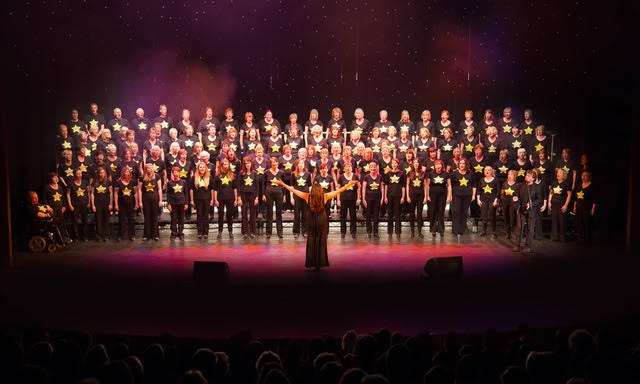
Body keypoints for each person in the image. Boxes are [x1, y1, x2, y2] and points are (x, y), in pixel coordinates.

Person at [275, 178, 358, 270]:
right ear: (320, 190)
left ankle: (311, 262)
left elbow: (293, 190)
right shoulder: (325, 196)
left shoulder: (307, 196)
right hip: (321, 219)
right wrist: (349, 184)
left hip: (310, 219)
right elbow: (339, 190)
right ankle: (320, 262)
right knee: (321, 240)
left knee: (311, 239)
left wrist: (282, 183)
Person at [513, 170, 545, 253]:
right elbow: (517, 195)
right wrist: (516, 198)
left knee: (530, 229)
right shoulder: (521, 186)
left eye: (528, 176)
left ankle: (527, 246)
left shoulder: (536, 187)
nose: (526, 177)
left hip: (532, 211)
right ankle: (517, 245)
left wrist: (532, 204)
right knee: (519, 227)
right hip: (522, 209)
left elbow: (540, 200)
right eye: (526, 175)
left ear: (533, 178)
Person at [447, 158, 476, 238]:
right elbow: (450, 186)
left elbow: (474, 185)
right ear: (458, 165)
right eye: (461, 163)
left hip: (467, 196)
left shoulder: (471, 174)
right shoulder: (454, 174)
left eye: (464, 163)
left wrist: (473, 195)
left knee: (464, 212)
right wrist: (450, 195)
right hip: (456, 195)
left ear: (466, 165)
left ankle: (462, 229)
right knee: (456, 212)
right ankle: (456, 230)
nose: (462, 165)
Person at [213, 158, 239, 239]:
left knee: (229, 215)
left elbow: (235, 188)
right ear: (221, 165)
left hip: (230, 198)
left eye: (227, 164)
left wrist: (236, 199)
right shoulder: (217, 176)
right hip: (220, 198)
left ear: (229, 165)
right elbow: (215, 189)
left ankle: (230, 231)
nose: (225, 166)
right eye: (224, 164)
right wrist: (215, 199)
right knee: (220, 215)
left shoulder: (233, 175)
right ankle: (220, 231)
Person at [138, 163, 162, 241]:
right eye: (148, 168)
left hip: (155, 200)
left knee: (155, 217)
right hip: (145, 200)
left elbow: (159, 189)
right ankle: (147, 235)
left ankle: (155, 235)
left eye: (151, 168)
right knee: (147, 217)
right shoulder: (142, 178)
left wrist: (160, 200)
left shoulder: (157, 176)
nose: (150, 169)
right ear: (145, 169)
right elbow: (139, 190)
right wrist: (140, 202)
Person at [44, 172, 70, 243]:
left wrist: (64, 206)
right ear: (50, 178)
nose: (56, 178)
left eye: (57, 177)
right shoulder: (47, 187)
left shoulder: (60, 187)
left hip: (60, 209)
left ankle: (63, 239)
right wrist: (48, 206)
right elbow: (44, 199)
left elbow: (63, 198)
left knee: (62, 224)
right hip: (52, 210)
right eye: (54, 177)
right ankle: (55, 240)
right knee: (54, 225)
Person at [263, 156, 285, 238]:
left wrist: (284, 195)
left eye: (276, 162)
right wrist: (263, 194)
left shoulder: (281, 173)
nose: (274, 164)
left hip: (279, 193)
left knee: (279, 213)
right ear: (271, 164)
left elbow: (283, 185)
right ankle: (268, 232)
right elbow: (264, 184)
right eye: (273, 162)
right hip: (269, 194)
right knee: (269, 213)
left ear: (278, 163)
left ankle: (280, 232)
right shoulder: (266, 172)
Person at [336, 162, 360, 239]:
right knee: (343, 216)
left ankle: (353, 232)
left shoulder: (355, 176)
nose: (348, 168)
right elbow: (338, 189)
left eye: (349, 166)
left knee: (353, 216)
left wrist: (358, 198)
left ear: (352, 168)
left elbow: (359, 188)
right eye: (346, 166)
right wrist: (338, 200)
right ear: (344, 168)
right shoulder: (341, 177)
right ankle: (343, 232)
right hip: (343, 199)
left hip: (352, 199)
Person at [114, 167, 138, 241]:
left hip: (131, 203)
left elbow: (135, 193)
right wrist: (116, 204)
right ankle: (120, 235)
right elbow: (116, 194)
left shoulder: (133, 182)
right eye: (125, 172)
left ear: (130, 173)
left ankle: (132, 235)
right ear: (122, 173)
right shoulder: (118, 182)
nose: (126, 173)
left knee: (131, 219)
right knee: (121, 220)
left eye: (128, 172)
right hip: (121, 204)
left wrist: (136, 203)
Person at [190, 162, 214, 239]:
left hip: (207, 199)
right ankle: (200, 232)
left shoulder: (209, 177)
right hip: (198, 199)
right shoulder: (194, 177)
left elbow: (212, 189)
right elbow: (191, 189)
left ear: (206, 168)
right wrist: (192, 200)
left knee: (206, 216)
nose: (202, 168)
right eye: (200, 167)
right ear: (198, 168)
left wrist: (212, 199)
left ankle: (206, 232)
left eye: (203, 167)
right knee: (199, 216)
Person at [361, 161, 385, 239]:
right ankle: (369, 232)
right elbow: (363, 188)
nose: (373, 168)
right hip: (368, 198)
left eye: (374, 167)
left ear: (376, 168)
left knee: (376, 216)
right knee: (368, 216)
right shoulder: (366, 177)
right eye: (371, 167)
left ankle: (375, 232)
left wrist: (382, 198)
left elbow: (382, 188)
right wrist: (364, 199)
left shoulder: (380, 177)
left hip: (377, 198)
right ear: (369, 168)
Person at [549, 168, 572, 242]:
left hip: (562, 204)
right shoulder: (554, 182)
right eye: (557, 172)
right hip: (554, 203)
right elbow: (551, 192)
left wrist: (566, 205)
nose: (558, 174)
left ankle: (562, 237)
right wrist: (549, 202)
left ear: (564, 175)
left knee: (562, 221)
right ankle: (554, 236)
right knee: (554, 220)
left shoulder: (566, 183)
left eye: (560, 173)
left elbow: (569, 195)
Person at [238, 156, 259, 238]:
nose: (247, 165)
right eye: (246, 163)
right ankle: (245, 232)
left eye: (249, 163)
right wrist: (239, 197)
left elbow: (257, 186)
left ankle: (253, 231)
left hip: (253, 195)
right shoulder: (241, 173)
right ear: (244, 164)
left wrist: (257, 197)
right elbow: (239, 186)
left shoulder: (255, 173)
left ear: (251, 163)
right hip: (243, 195)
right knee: (244, 213)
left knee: (253, 214)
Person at [477, 166, 500, 238]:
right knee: (484, 216)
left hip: (492, 201)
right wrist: (478, 199)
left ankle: (494, 232)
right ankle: (484, 231)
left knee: (492, 216)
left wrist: (496, 200)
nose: (487, 171)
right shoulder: (481, 180)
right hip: (483, 200)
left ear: (492, 171)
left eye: (489, 170)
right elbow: (479, 190)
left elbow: (498, 191)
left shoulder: (495, 180)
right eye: (486, 170)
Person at [406, 158, 427, 238]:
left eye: (417, 162)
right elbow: (407, 185)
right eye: (414, 162)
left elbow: (425, 186)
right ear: (412, 164)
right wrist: (407, 196)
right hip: (412, 195)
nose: (416, 164)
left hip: (420, 195)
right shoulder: (409, 173)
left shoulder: (423, 173)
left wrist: (425, 196)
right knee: (412, 214)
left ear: (419, 164)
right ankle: (412, 232)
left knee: (419, 214)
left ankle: (419, 231)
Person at [384, 158, 406, 238]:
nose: (394, 165)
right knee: (390, 214)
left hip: (398, 195)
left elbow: (403, 186)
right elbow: (386, 185)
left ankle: (398, 231)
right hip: (390, 195)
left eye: (395, 163)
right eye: (392, 163)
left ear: (398, 164)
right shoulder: (388, 173)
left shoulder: (402, 174)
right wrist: (385, 196)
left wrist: (403, 197)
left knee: (397, 214)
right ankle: (390, 231)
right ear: (391, 164)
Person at [66, 168, 90, 241]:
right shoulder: (70, 183)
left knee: (85, 221)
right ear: (74, 175)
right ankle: (76, 236)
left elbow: (88, 192)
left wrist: (88, 202)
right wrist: (70, 205)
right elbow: (68, 195)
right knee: (75, 221)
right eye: (78, 174)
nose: (79, 175)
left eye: (80, 173)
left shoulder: (85, 182)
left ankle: (84, 236)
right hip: (75, 205)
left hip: (84, 204)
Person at [426, 160, 448, 238]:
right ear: (434, 166)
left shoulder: (446, 174)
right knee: (433, 212)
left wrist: (449, 196)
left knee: (441, 212)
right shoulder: (430, 174)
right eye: (437, 165)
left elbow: (449, 186)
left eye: (440, 165)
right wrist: (427, 195)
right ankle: (433, 229)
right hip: (432, 195)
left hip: (442, 195)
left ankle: (441, 230)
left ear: (442, 166)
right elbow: (427, 185)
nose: (438, 166)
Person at [291, 159, 312, 238]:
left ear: (304, 165)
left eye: (302, 163)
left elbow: (310, 186)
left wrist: (310, 196)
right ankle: (296, 231)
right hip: (297, 196)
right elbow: (292, 187)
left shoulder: (308, 174)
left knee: (305, 214)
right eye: (299, 163)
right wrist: (292, 198)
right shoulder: (293, 174)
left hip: (306, 196)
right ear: (297, 165)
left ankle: (305, 231)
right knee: (296, 214)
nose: (301, 165)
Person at [574, 171, 597, 242]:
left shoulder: (592, 186)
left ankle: (587, 239)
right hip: (579, 207)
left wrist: (593, 208)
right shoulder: (579, 185)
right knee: (579, 223)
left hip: (587, 207)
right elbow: (576, 197)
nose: (583, 177)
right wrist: (574, 206)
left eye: (585, 176)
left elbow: (594, 199)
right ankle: (580, 238)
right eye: (582, 176)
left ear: (589, 177)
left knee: (587, 223)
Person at [91, 167, 112, 241]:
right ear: (98, 174)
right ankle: (99, 236)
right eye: (100, 173)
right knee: (98, 220)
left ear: (105, 173)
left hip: (106, 203)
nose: (101, 174)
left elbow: (111, 193)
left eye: (103, 172)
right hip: (97, 203)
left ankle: (106, 235)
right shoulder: (94, 182)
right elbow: (92, 194)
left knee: (106, 220)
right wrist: (93, 205)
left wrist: (110, 204)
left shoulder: (108, 182)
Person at [167, 166, 188, 240]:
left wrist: (186, 203)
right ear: (172, 173)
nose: (176, 174)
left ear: (179, 173)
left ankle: (180, 233)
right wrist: (168, 204)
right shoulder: (169, 183)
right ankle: (173, 233)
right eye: (174, 172)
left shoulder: (183, 182)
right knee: (173, 218)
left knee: (181, 219)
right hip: (173, 203)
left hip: (181, 203)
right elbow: (168, 194)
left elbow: (186, 193)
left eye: (177, 172)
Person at [501, 170, 520, 240]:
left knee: (512, 219)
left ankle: (514, 233)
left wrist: (517, 198)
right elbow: (502, 193)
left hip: (513, 204)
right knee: (506, 219)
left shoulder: (517, 185)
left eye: (511, 174)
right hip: (505, 203)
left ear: (514, 176)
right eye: (508, 174)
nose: (509, 176)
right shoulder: (504, 184)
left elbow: (518, 195)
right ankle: (507, 233)